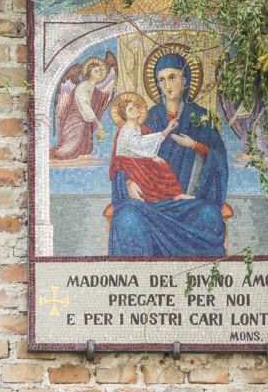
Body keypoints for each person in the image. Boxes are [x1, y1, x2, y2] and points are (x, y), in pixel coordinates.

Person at [108, 52, 228, 257]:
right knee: (127, 218)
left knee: (211, 217)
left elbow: (219, 160)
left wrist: (196, 145)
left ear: (185, 79)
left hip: (189, 202)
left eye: (172, 77)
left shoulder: (201, 118)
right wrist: (128, 183)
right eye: (161, 80)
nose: (167, 85)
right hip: (151, 203)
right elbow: (122, 159)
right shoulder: (147, 118)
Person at [109, 93, 193, 202]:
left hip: (139, 160)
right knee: (156, 168)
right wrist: (166, 132)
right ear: (125, 115)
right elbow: (139, 144)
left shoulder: (142, 129)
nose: (135, 109)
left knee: (162, 165)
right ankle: (155, 197)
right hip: (129, 165)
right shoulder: (125, 132)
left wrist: (153, 156)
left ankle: (176, 195)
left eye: (134, 106)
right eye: (130, 109)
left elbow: (144, 146)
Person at [50, 54, 117, 160]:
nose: (100, 72)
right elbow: (84, 105)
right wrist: (98, 123)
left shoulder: (97, 91)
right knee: (67, 151)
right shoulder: (82, 86)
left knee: (85, 149)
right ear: (89, 73)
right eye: (96, 70)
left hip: (86, 123)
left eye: (100, 70)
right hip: (75, 120)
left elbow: (98, 106)